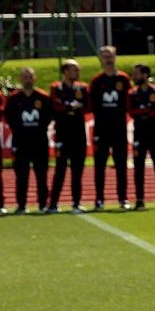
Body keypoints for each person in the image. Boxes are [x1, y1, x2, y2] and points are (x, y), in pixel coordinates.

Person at [89, 44, 132, 210]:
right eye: (105, 56)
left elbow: (129, 102)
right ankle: (99, 198)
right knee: (99, 165)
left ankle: (123, 198)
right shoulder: (96, 81)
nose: (108, 59)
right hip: (101, 128)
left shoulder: (123, 79)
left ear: (115, 57)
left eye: (110, 56)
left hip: (119, 128)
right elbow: (91, 104)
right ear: (100, 59)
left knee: (121, 164)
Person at [4, 66, 51, 214]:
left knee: (42, 175)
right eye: (24, 76)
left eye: (29, 76)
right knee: (21, 176)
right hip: (21, 142)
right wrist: (20, 131)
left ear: (34, 78)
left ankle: (43, 204)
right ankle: (21, 205)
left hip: (40, 142)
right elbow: (9, 117)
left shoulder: (43, 97)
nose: (27, 79)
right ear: (20, 79)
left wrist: (38, 129)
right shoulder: (14, 99)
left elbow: (48, 116)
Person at [48, 59, 90, 213]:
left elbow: (87, 106)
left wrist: (70, 107)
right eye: (74, 70)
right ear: (65, 71)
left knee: (77, 170)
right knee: (60, 169)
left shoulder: (82, 87)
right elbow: (56, 106)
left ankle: (76, 202)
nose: (77, 73)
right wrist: (71, 106)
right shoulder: (56, 87)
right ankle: (53, 203)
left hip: (79, 134)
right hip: (63, 135)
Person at [128, 63, 155, 209]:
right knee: (138, 167)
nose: (134, 76)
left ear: (145, 75)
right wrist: (148, 110)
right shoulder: (132, 93)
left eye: (137, 73)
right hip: (139, 134)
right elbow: (132, 112)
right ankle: (139, 199)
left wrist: (144, 112)